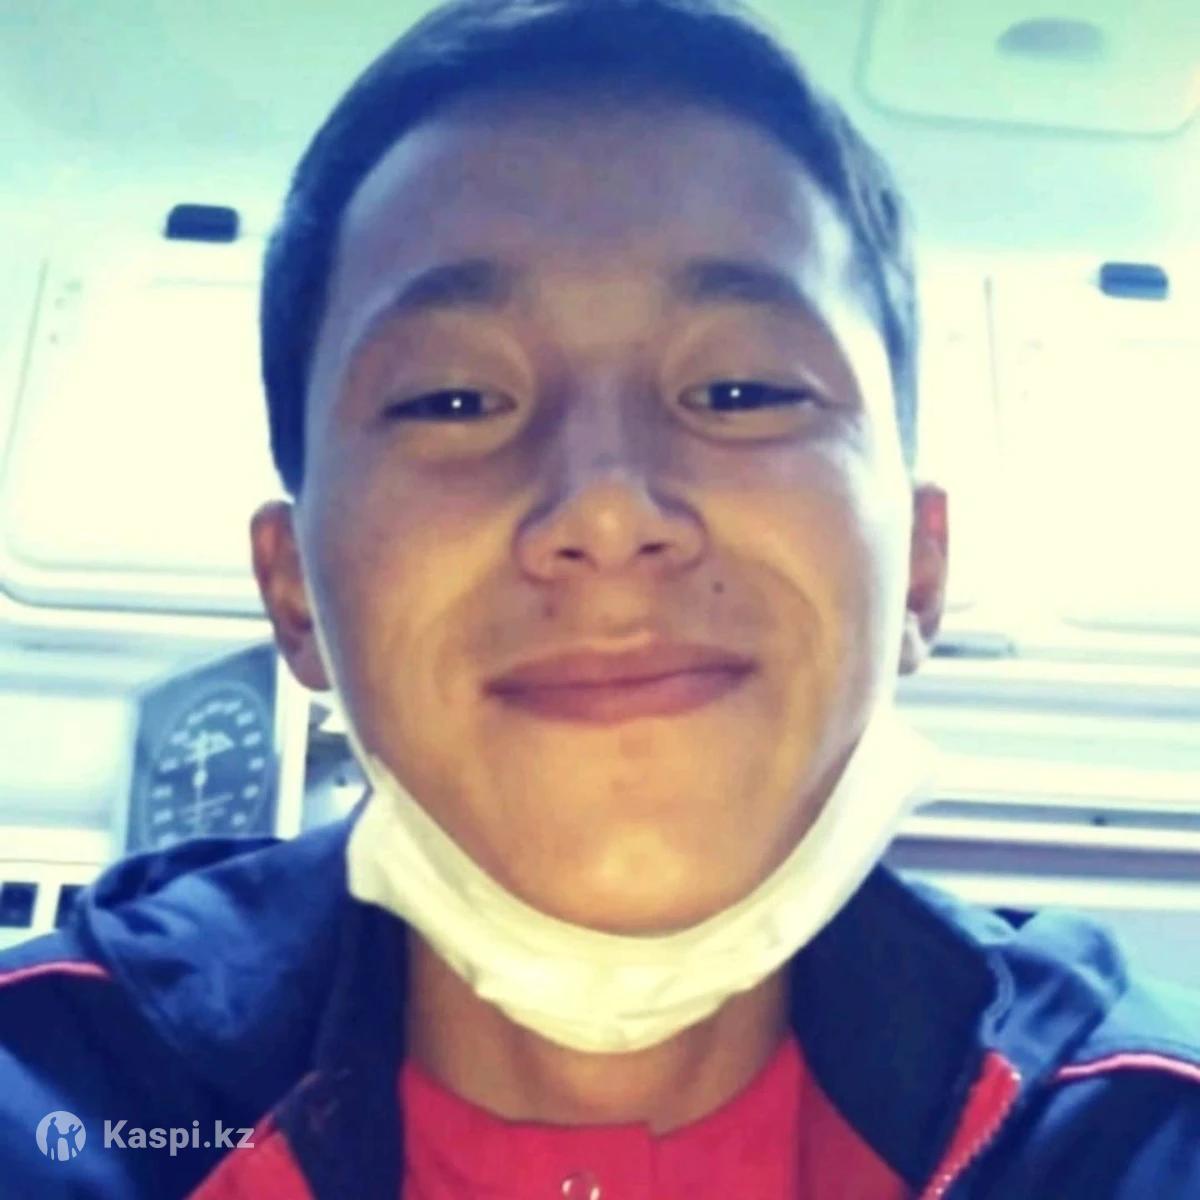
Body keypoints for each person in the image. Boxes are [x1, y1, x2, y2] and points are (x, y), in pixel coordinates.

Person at [2, 1, 1198, 1196]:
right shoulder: (56, 1098)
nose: (608, 511)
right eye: (454, 401)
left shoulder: (1141, 1133)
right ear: (295, 589)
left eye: (741, 391)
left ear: (922, 566)